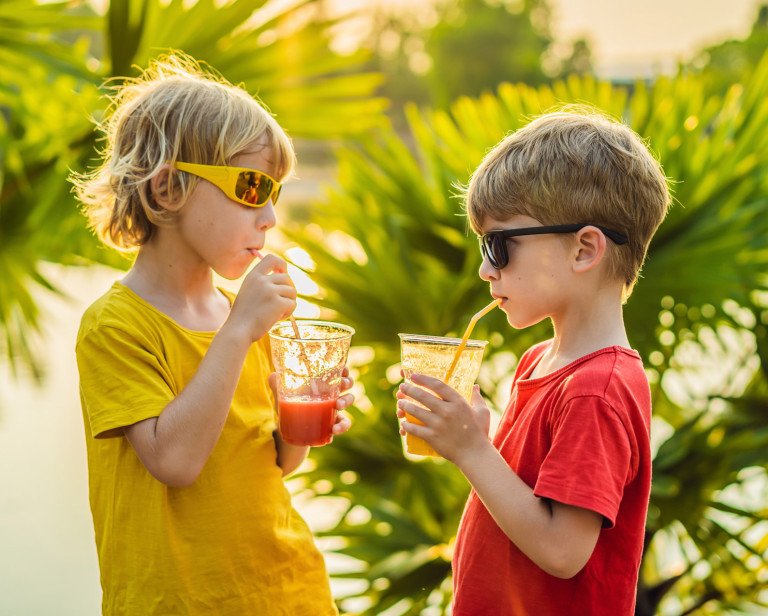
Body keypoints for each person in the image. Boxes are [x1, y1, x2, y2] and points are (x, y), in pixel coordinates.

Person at [71, 53, 352, 615]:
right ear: (168, 187)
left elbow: (272, 463)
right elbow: (174, 462)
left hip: (289, 590)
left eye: (275, 194)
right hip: (179, 601)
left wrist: (302, 420)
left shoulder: (243, 317)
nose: (270, 216)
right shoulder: (116, 325)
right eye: (252, 187)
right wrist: (239, 332)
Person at [396, 108, 671, 615]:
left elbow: (562, 551)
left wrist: (472, 451)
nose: (484, 268)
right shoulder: (539, 361)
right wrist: (477, 433)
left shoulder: (596, 388)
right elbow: (524, 499)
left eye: (499, 245)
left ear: (584, 249)